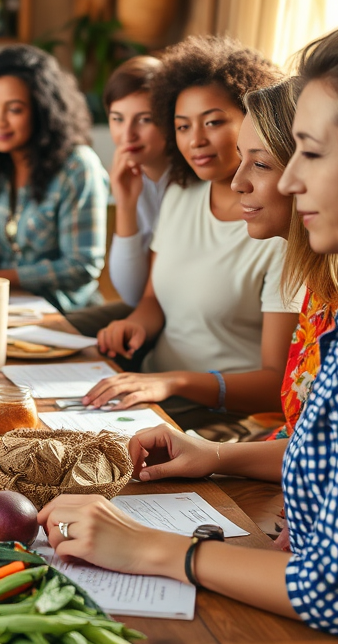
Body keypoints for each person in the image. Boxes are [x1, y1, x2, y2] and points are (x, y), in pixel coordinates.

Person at [39, 28, 338, 644]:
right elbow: (337, 460)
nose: (280, 183)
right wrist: (214, 455)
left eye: (303, 154)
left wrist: (150, 547)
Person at [84, 37, 299, 429]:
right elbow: (152, 298)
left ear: (253, 124)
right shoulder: (182, 194)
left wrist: (172, 383)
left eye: (213, 122)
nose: (195, 139)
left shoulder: (280, 232)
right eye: (182, 126)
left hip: (218, 412)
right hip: (148, 388)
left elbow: (276, 383)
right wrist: (136, 324)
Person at [231, 79, 338, 438]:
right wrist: (212, 455)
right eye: (239, 158)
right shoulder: (322, 281)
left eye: (260, 164)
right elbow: (304, 442)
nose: (237, 182)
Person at [0, 44, 108, 312]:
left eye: (14, 110)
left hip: (63, 314)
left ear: (43, 112)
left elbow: (81, 266)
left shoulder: (78, 167)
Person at [65, 55, 169, 338]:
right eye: (117, 119)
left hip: (171, 319)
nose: (127, 135)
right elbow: (132, 292)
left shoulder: (184, 184)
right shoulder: (135, 179)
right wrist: (125, 203)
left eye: (144, 120)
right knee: (47, 331)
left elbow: (137, 296)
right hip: (147, 310)